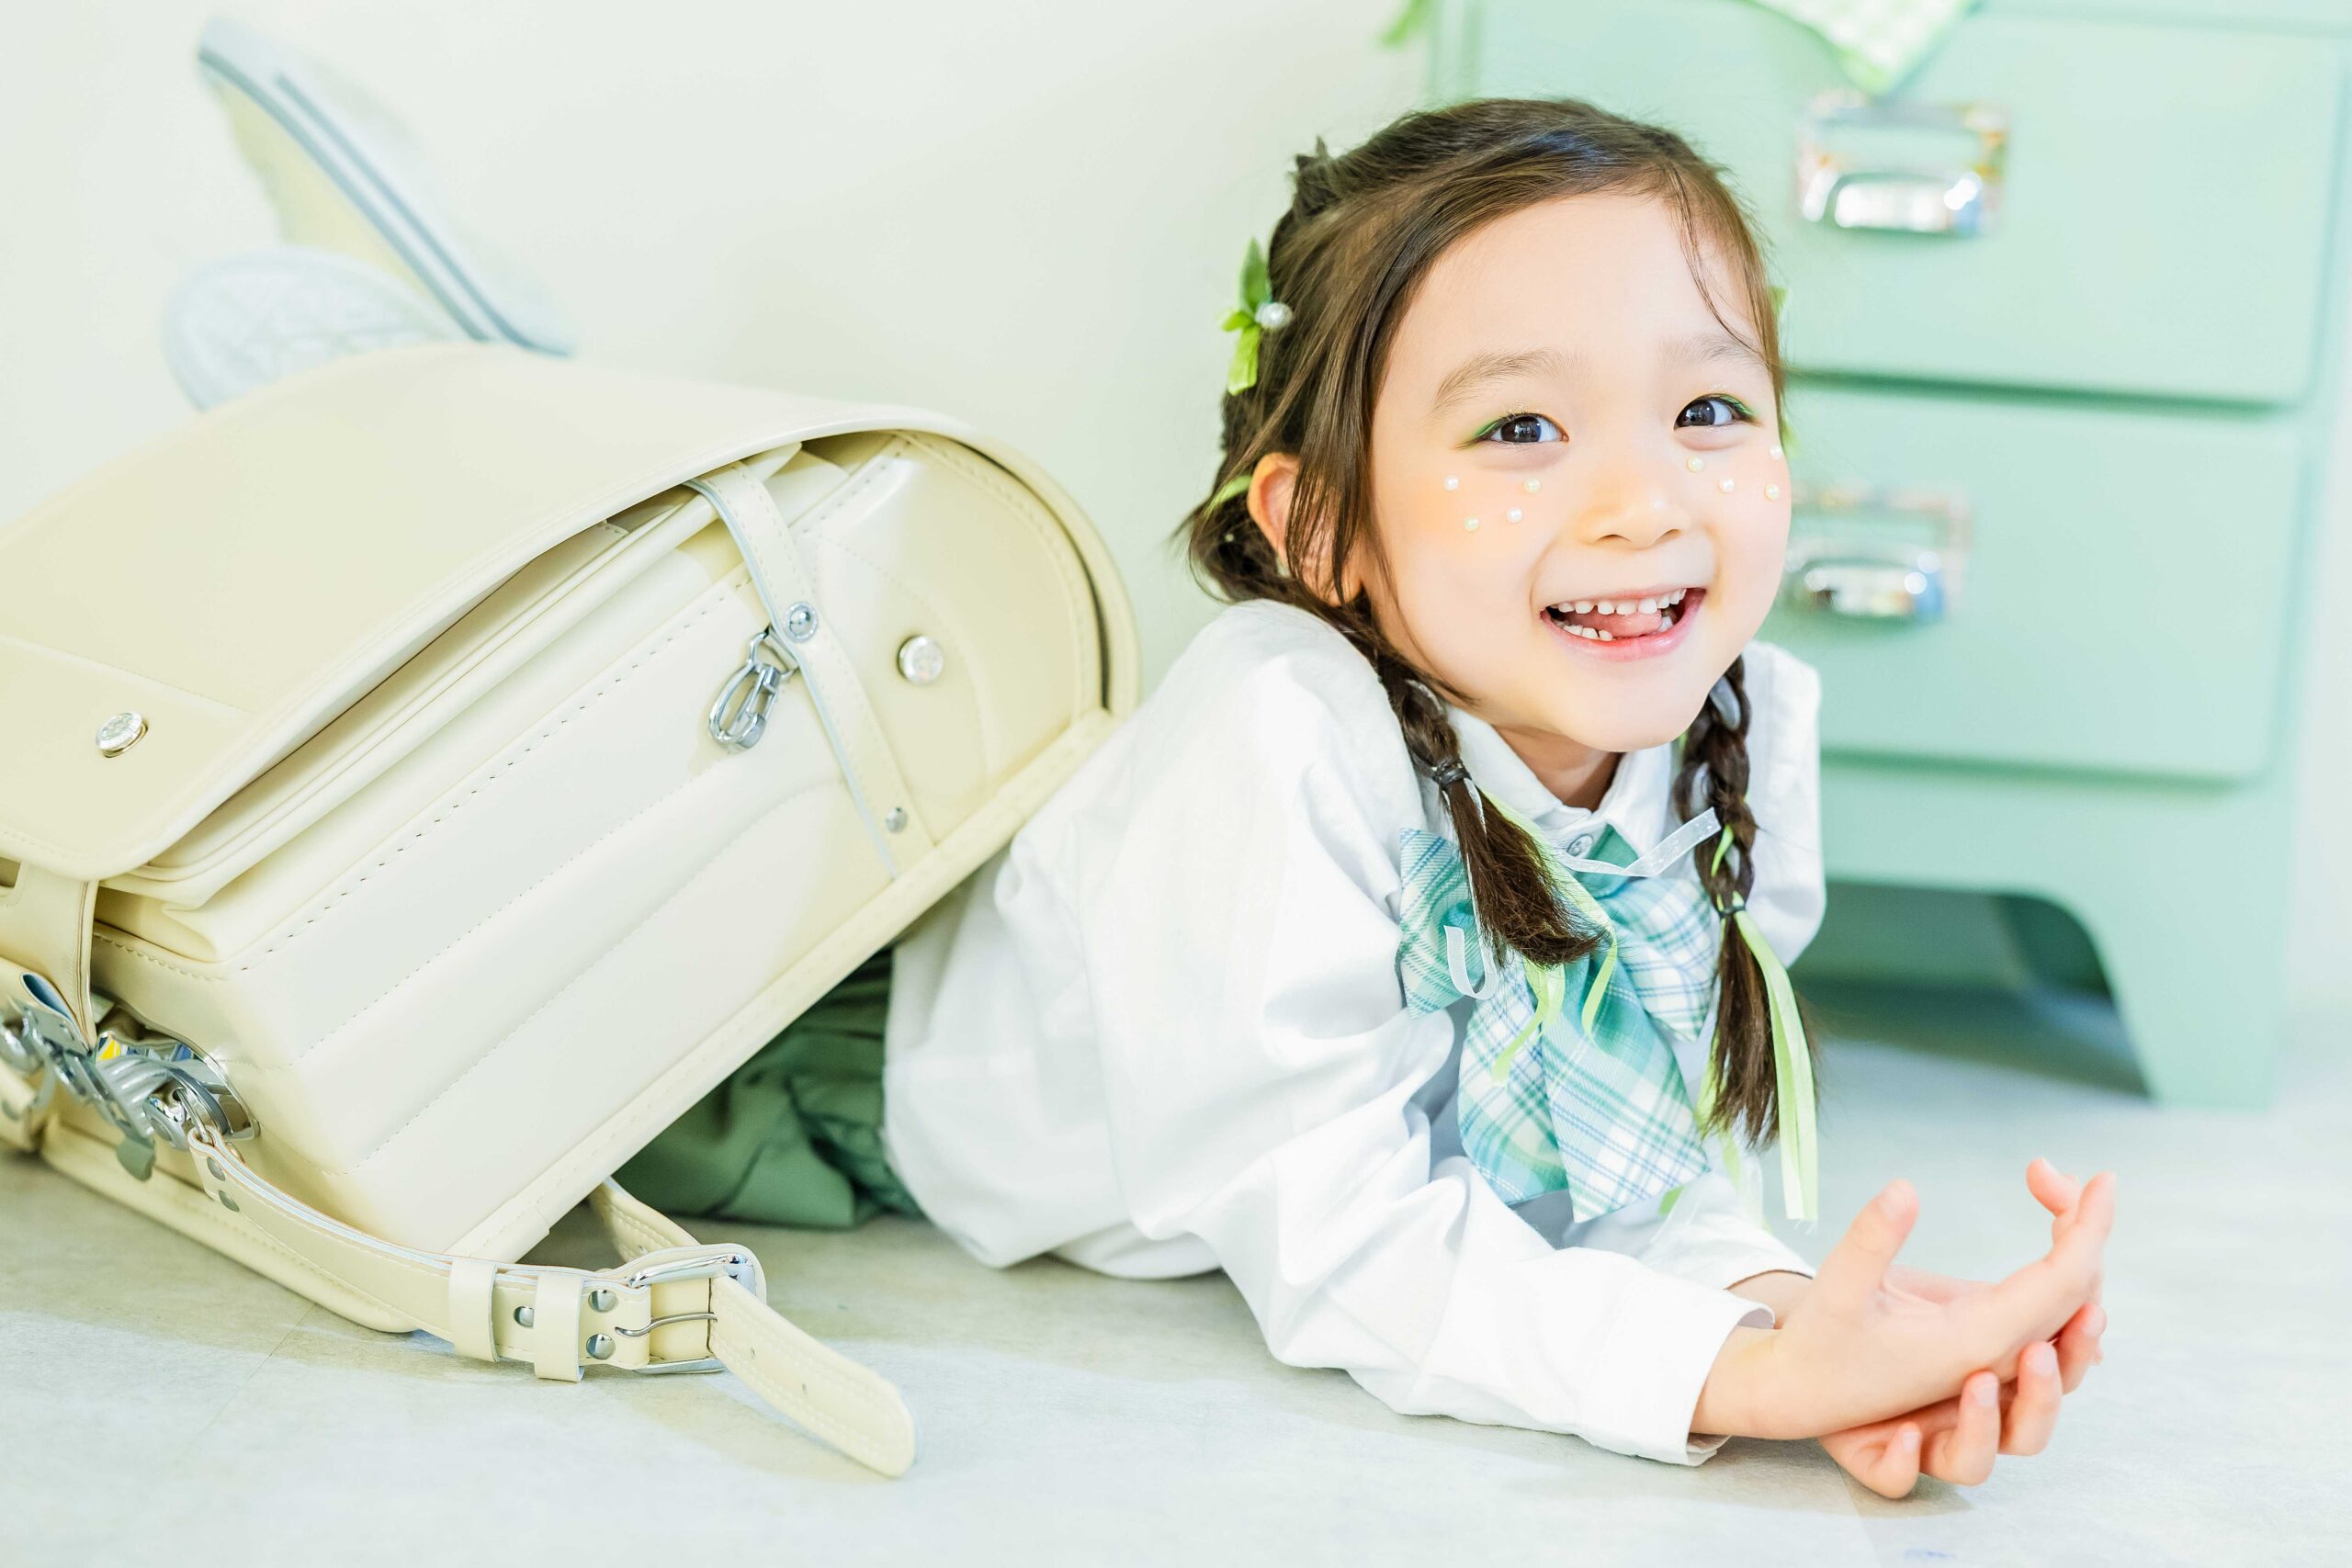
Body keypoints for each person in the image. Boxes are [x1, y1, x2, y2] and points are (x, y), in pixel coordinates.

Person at [622, 96, 2114, 1497]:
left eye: (1710, 407)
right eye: (1522, 430)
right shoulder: (1279, 730)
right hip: (813, 1076)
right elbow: (1344, 1245)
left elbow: (1623, 1169)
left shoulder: (1739, 729)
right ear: (1325, 523)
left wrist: (1801, 1325)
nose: (1647, 501)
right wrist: (1727, 1380)